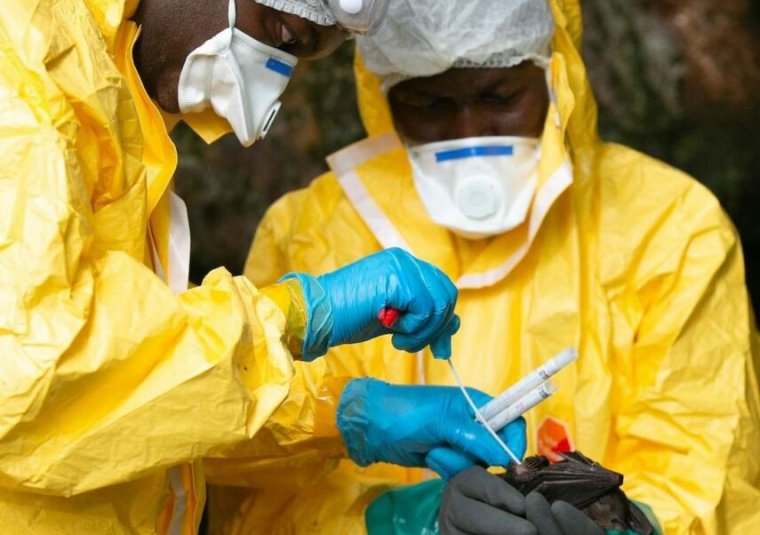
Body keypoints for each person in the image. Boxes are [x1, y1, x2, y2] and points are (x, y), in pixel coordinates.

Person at [239, 0, 760, 532]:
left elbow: (708, 474)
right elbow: (262, 489)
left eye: (500, 96)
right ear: (384, 96)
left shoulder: (668, 225)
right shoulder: (309, 232)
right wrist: (406, 521)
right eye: (429, 104)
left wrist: (631, 523)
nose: (469, 130)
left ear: (551, 72)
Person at [0, 1, 510, 533]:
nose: (272, 88)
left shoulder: (111, 95)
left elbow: (140, 396)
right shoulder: (20, 73)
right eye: (284, 35)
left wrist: (343, 416)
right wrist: (296, 315)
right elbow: (36, 379)